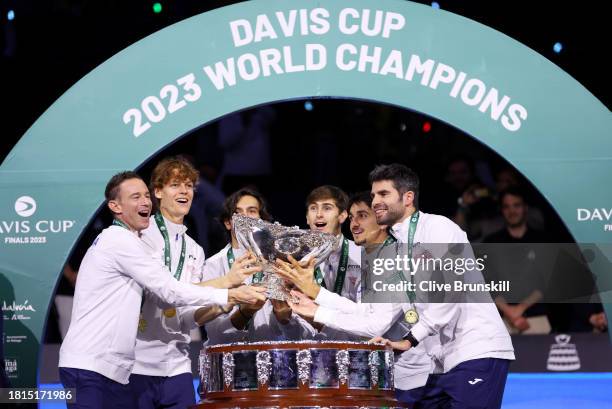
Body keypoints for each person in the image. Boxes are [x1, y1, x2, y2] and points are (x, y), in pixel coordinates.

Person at [279, 164, 515, 409]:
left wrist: (411, 339)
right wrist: (316, 304)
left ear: (408, 197)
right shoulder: (393, 252)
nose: (376, 201)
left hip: (475, 348)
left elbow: (449, 293)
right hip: (441, 360)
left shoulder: (438, 227)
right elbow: (374, 316)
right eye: (374, 195)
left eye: (384, 194)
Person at [58, 171, 266, 409]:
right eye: (135, 197)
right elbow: (169, 291)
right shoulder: (120, 241)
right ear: (115, 206)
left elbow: (180, 307)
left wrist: (225, 301)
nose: (145, 202)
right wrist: (229, 290)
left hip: (113, 369)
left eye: (146, 196)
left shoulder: (136, 241)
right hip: (91, 367)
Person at [130, 158, 260, 409]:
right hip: (138, 363)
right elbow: (165, 296)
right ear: (157, 192)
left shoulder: (195, 250)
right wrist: (225, 283)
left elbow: (188, 318)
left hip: (177, 366)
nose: (184, 191)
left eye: (189, 185)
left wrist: (230, 297)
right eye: (175, 184)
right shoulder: (140, 237)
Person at [203, 188, 309, 343]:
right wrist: (243, 313)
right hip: (230, 361)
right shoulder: (213, 265)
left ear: (263, 221)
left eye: (252, 211)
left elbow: (301, 334)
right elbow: (214, 333)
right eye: (238, 212)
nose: (245, 217)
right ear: (228, 223)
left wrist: (284, 318)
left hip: (272, 359)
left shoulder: (281, 264)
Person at [483, 187, 551, 334]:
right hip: (499, 320)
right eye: (506, 206)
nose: (512, 211)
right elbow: (486, 282)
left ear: (525, 208)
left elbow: (546, 282)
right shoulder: (491, 242)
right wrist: (509, 312)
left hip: (536, 318)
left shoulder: (542, 240)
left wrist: (520, 309)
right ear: (501, 210)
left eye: (516, 205)